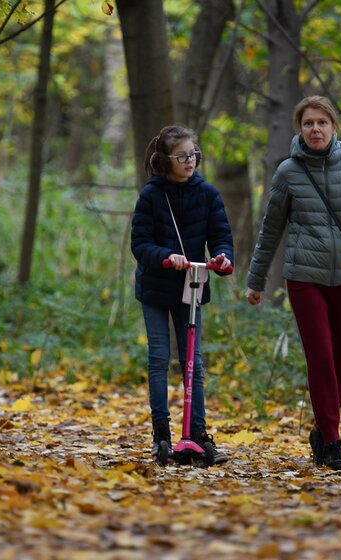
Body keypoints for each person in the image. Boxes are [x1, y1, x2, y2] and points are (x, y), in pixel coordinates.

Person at [245, 96, 341, 470]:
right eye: (308, 123)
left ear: (334, 127)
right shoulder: (288, 172)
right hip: (304, 277)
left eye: (322, 123)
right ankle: (331, 441)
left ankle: (322, 429)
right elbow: (271, 228)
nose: (315, 129)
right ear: (300, 128)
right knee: (321, 356)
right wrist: (256, 280)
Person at [131, 124, 234, 465]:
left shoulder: (207, 194)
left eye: (193, 155)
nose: (190, 161)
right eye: (182, 156)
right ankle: (162, 433)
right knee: (159, 358)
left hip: (192, 286)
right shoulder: (151, 195)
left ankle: (199, 435)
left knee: (194, 363)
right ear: (165, 161)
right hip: (157, 287)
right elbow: (140, 243)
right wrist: (165, 256)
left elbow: (221, 235)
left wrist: (221, 257)